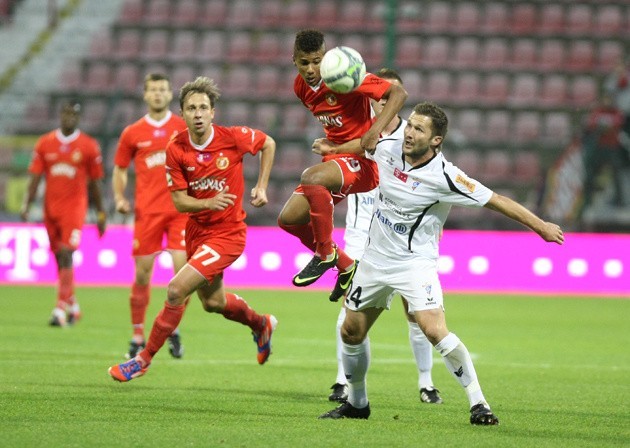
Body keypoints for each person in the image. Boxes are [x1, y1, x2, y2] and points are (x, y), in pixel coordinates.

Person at [318, 102, 564, 424]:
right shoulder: (389, 146)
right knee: (351, 332)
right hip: (375, 259)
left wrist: (541, 226)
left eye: (419, 129)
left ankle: (479, 403)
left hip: (414, 264)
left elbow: (497, 201)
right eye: (409, 126)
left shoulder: (447, 177)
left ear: (436, 140)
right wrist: (334, 147)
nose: (409, 132)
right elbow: (365, 144)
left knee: (433, 329)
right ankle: (358, 403)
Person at [108, 76, 277, 382]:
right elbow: (181, 203)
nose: (197, 113)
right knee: (213, 303)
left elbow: (267, 143)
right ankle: (260, 324)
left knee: (175, 289)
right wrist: (209, 202)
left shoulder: (233, 137)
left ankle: (142, 359)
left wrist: (261, 186)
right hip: (197, 232)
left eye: (203, 107)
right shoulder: (176, 149)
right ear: (182, 113)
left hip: (228, 235)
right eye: (191, 108)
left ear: (213, 112)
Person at [315, 69, 441, 405]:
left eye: (391, 95)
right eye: (379, 95)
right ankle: (342, 381)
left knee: (415, 313)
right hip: (360, 238)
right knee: (350, 312)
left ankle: (426, 383)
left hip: (400, 242)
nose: (384, 100)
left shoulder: (411, 139)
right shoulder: (359, 132)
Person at [277, 29, 408, 302]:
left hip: (364, 162)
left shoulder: (347, 76)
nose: (311, 69)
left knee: (311, 177)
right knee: (288, 220)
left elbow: (398, 94)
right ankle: (346, 265)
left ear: (325, 57)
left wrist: (374, 132)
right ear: (294, 61)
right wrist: (331, 144)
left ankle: (325, 254)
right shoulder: (300, 88)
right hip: (336, 162)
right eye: (304, 62)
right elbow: (338, 122)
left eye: (317, 61)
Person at [113, 73, 189, 360]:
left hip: (180, 211)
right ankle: (136, 333)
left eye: (162, 89)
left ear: (170, 94)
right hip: (147, 212)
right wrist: (120, 197)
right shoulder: (132, 132)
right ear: (145, 95)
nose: (157, 94)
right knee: (143, 274)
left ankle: (172, 328)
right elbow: (120, 168)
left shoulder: (182, 127)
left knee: (183, 277)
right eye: (152, 90)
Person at [20, 99, 106, 327]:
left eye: (73, 114)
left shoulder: (88, 145)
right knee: (59, 257)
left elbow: (95, 183)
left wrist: (100, 213)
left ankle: (59, 309)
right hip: (51, 209)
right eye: (66, 113)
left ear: (78, 118)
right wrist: (26, 204)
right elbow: (35, 177)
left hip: (75, 208)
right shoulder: (45, 143)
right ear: (60, 115)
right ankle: (73, 304)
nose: (69, 118)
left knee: (67, 252)